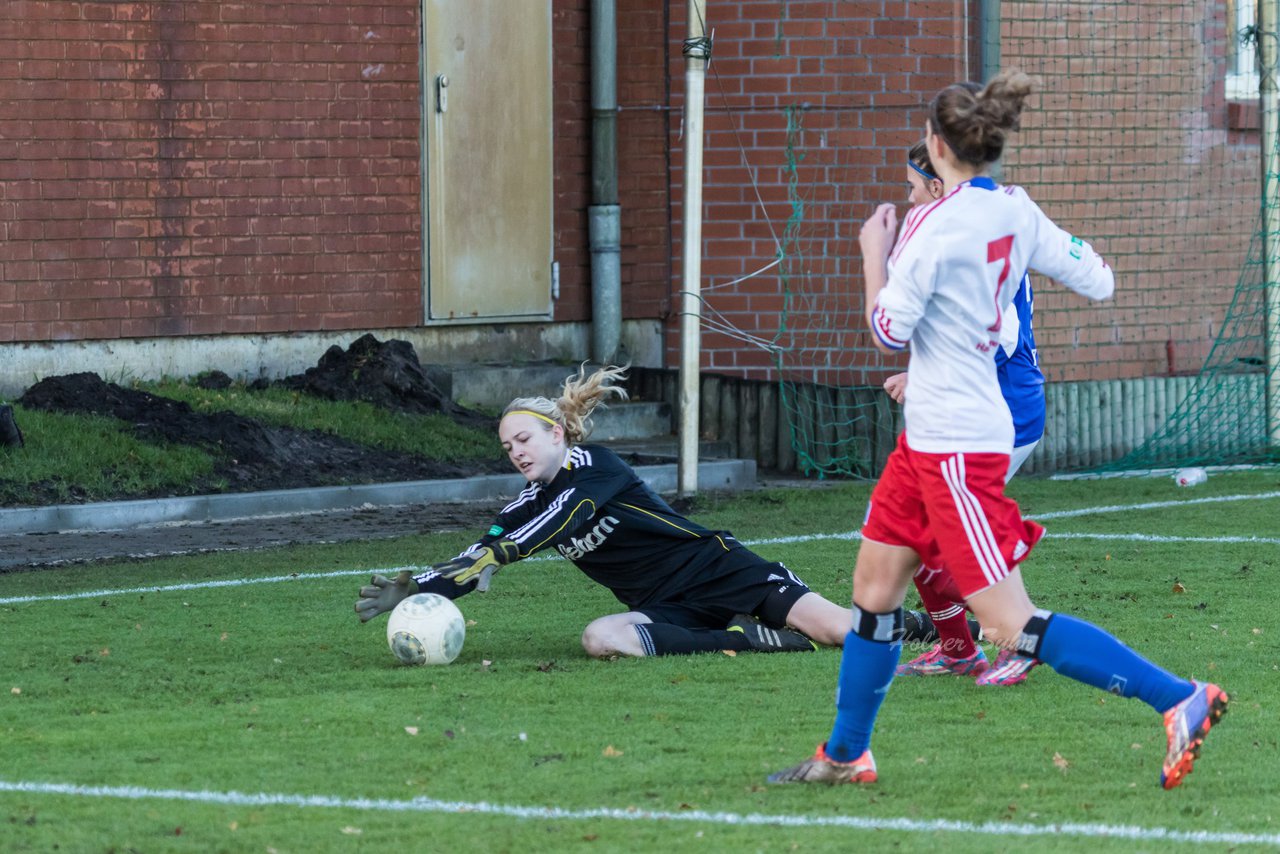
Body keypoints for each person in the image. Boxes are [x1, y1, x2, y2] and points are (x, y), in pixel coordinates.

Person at [768, 70, 1227, 790]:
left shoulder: (928, 233)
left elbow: (889, 330)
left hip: (955, 446)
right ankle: (846, 753)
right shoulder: (1014, 209)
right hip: (932, 437)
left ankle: (1180, 698)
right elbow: (1098, 279)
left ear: (936, 145)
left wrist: (871, 253)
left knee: (1009, 624)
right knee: (874, 586)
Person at [354, 365, 956, 658]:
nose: (516, 452)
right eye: (508, 446)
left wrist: (503, 552)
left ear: (560, 433)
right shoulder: (522, 508)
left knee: (840, 631)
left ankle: (946, 630)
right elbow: (479, 551)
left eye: (524, 440)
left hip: (715, 565)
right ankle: (749, 640)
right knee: (599, 639)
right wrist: (419, 586)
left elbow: (564, 517)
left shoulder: (597, 467)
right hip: (669, 607)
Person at [887, 140, 1046, 687]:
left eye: (913, 188)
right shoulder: (973, 227)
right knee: (922, 535)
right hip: (986, 409)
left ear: (937, 187)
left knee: (955, 541)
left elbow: (996, 333)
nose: (908, 201)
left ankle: (1019, 638)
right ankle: (959, 648)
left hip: (1002, 412)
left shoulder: (976, 240)